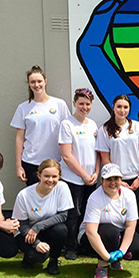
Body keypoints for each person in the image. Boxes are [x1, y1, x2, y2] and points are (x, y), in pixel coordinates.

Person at [79, 163, 139, 278]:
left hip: (117, 233)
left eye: (116, 178)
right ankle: (102, 268)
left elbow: (131, 226)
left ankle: (116, 259)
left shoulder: (129, 195)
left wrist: (121, 251)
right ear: (102, 181)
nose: (112, 182)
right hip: (90, 237)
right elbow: (91, 231)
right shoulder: (95, 197)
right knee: (110, 232)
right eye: (108, 179)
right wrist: (106, 257)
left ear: (121, 180)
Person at [96, 95, 139, 238]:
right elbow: (105, 159)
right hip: (116, 180)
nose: (122, 110)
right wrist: (119, 181)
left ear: (129, 109)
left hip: (138, 177)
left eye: (125, 107)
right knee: (119, 212)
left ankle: (137, 242)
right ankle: (120, 242)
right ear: (113, 107)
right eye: (119, 106)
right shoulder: (104, 130)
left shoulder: (136, 126)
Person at [11, 65, 71, 186]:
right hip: (31, 162)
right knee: (35, 201)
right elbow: (19, 139)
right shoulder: (23, 108)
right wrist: (19, 166)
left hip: (55, 162)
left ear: (45, 82)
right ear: (28, 84)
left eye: (39, 81)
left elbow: (68, 133)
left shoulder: (59, 104)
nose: (36, 85)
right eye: (33, 82)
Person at [59, 88, 101, 260]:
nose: (84, 107)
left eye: (88, 104)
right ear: (74, 104)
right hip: (73, 178)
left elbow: (98, 151)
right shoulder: (67, 124)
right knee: (73, 213)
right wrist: (83, 175)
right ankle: (69, 247)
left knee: (88, 213)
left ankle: (85, 245)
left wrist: (97, 172)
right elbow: (66, 155)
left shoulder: (92, 124)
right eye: (81, 104)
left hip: (91, 179)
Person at [12, 159, 74, 275]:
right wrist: (37, 243)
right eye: (46, 176)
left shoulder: (62, 188)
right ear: (39, 175)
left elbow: (63, 216)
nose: (50, 180)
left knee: (61, 229)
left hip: (42, 229)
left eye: (54, 176)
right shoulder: (24, 195)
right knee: (38, 257)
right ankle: (28, 258)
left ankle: (53, 262)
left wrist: (38, 227)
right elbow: (22, 224)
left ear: (59, 176)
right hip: (26, 232)